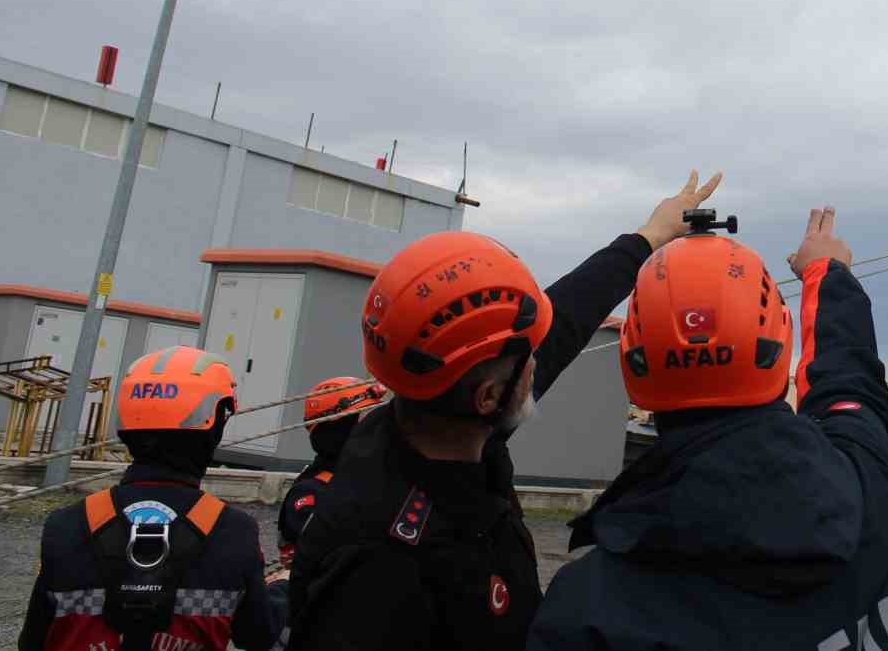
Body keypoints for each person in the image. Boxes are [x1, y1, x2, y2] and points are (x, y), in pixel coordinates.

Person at [285, 170, 722, 651]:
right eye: (527, 357)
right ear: (489, 398)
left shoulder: (430, 440)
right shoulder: (382, 564)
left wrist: (648, 237)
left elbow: (566, 318)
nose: (539, 361)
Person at [528, 206, 888, 651]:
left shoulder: (592, 610)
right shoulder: (871, 480)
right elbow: (852, 378)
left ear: (633, 365)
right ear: (779, 342)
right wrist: (824, 273)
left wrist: (645, 240)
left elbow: (497, 389)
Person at [19, 346, 284, 651]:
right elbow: (259, 636)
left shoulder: (65, 525)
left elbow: (32, 642)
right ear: (213, 426)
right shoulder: (234, 531)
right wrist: (281, 588)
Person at [275, 376, 387, 565]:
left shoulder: (365, 477)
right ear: (339, 430)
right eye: (366, 420)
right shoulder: (311, 491)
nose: (377, 428)